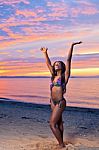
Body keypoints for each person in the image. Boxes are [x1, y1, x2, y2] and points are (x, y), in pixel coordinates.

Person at [40, 41, 82, 148]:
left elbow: (68, 59)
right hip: (52, 102)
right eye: (55, 64)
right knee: (58, 123)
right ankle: (61, 141)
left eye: (58, 63)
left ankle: (61, 145)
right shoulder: (53, 76)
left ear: (62, 66)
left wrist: (72, 46)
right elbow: (48, 64)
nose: (56, 65)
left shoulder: (65, 76)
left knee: (52, 124)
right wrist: (45, 53)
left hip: (60, 102)